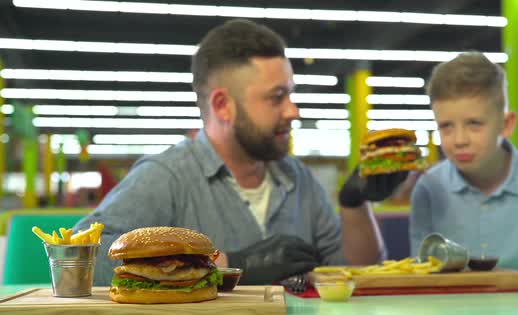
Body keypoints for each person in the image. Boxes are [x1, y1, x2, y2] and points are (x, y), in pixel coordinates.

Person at [75, 19, 407, 286]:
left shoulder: (298, 178)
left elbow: (355, 274)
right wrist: (226, 266)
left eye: (291, 94)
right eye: (277, 97)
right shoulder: (167, 177)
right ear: (223, 105)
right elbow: (81, 259)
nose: (294, 111)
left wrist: (354, 206)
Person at [409, 51, 518, 272]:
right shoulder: (428, 189)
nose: (459, 140)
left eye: (474, 124)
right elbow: (422, 278)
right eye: (446, 126)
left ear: (506, 124)